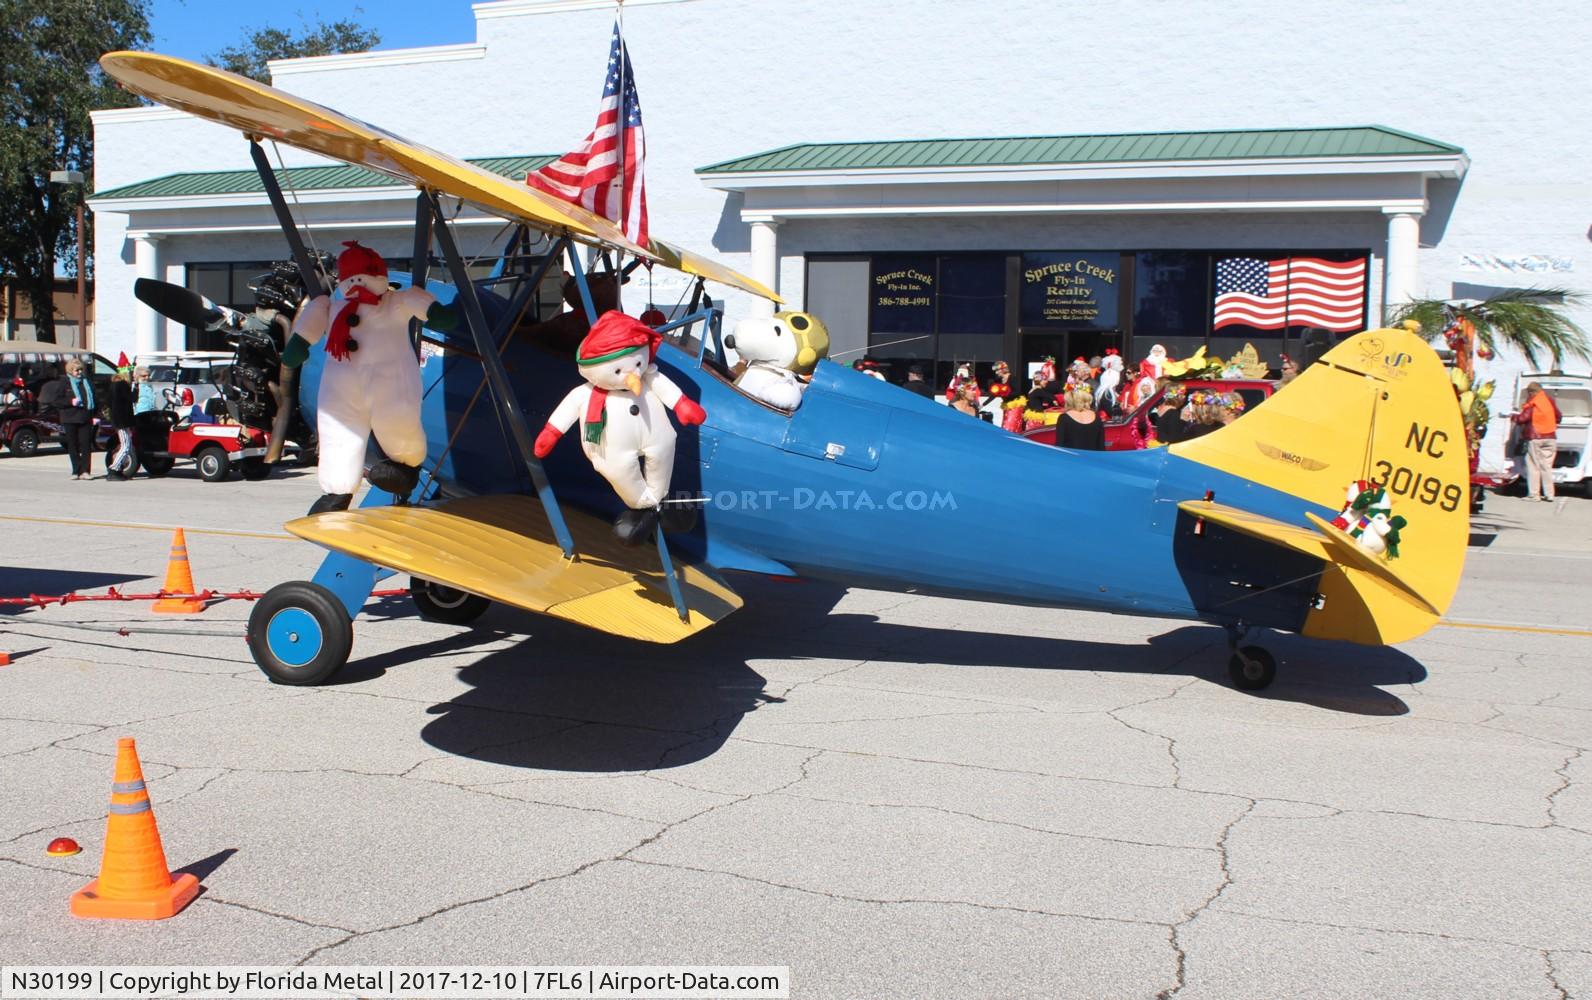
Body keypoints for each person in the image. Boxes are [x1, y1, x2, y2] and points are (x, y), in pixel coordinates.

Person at [38, 359, 97, 479]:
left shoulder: (87, 382)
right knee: (72, 444)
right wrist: (71, 401)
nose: (79, 372)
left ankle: (85, 471)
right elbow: (56, 401)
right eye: (77, 370)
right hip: (70, 418)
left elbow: (95, 399)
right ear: (70, 371)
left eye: (81, 370)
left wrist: (96, 416)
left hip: (85, 417)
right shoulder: (64, 383)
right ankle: (76, 470)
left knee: (86, 444)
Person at [1517, 381, 1561, 501]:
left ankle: (1534, 494)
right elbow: (1558, 416)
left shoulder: (1533, 402)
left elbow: (1522, 418)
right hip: (1551, 438)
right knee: (1546, 466)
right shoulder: (1549, 401)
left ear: (1532, 392)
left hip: (1535, 438)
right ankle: (1550, 494)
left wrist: (1513, 417)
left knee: (1533, 466)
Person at [106, 371, 137, 481]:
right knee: (126, 446)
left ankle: (118, 470)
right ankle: (114, 468)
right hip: (122, 421)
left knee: (126, 445)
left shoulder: (113, 387)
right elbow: (133, 398)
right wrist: (136, 388)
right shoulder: (122, 386)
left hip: (118, 420)